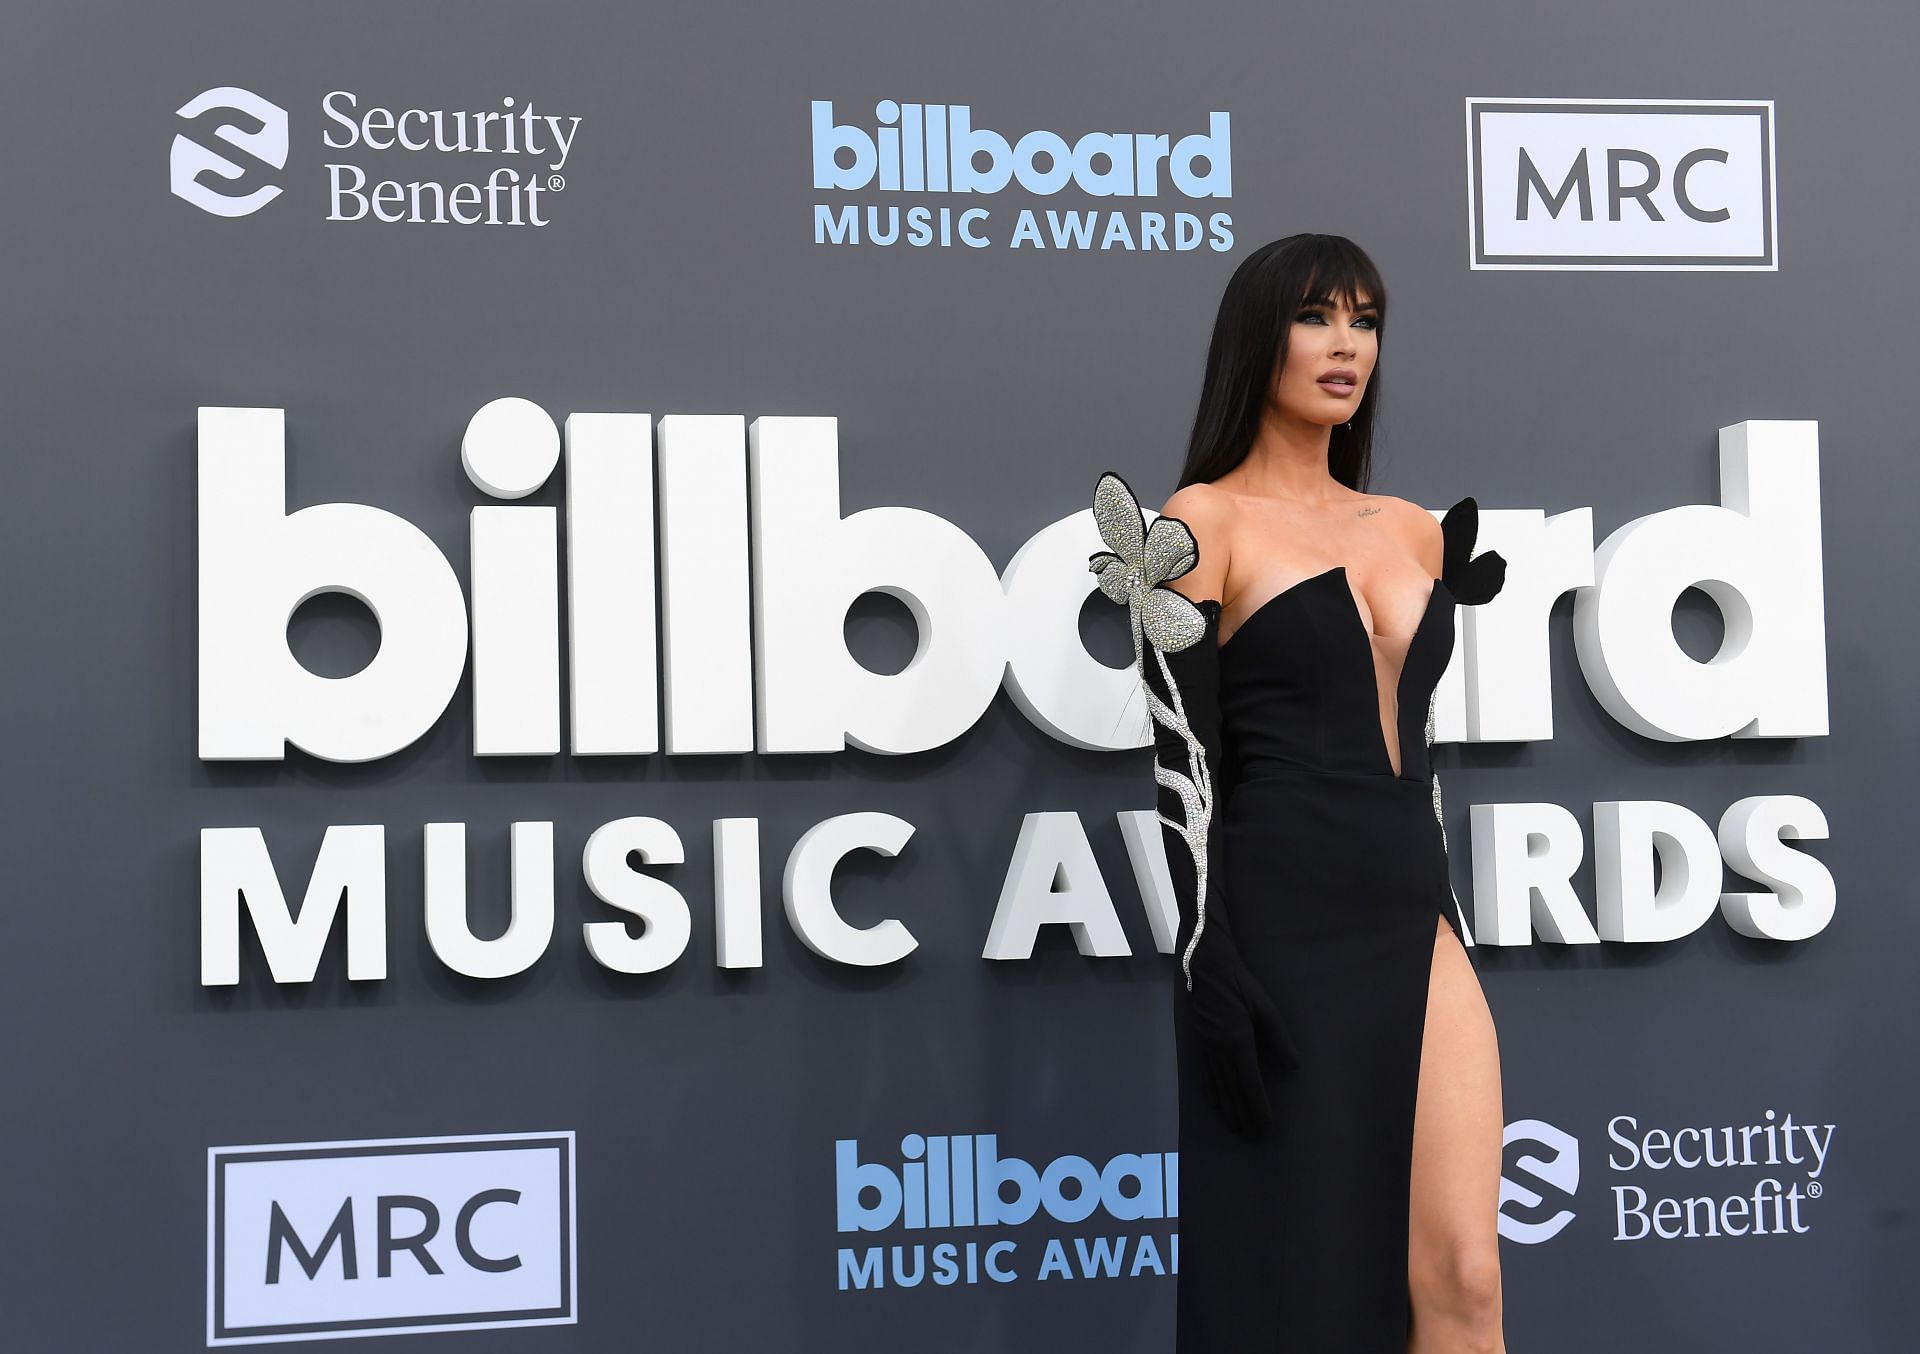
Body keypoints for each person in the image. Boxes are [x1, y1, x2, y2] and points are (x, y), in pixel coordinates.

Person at [1088, 233, 1511, 1351]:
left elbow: (1420, 754)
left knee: (1468, 1273)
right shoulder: (1201, 522)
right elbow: (1182, 762)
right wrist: (1204, 957)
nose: (1345, 345)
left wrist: (1444, 914)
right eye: (1318, 316)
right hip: (1277, 922)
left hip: (1415, 915)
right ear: (1257, 337)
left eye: (1365, 321)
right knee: (1305, 1286)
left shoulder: (1414, 529)